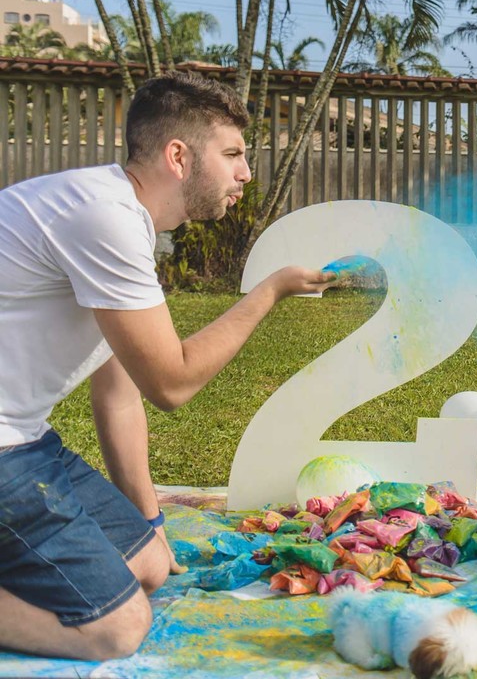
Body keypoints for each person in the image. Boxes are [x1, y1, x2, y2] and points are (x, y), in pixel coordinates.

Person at [0, 72, 336, 661]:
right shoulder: (102, 218)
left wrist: (151, 524)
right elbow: (172, 383)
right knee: (117, 629)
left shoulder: (123, 218)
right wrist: (267, 292)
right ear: (178, 157)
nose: (246, 174)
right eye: (232, 154)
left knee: (151, 567)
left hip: (23, 437)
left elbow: (120, 395)